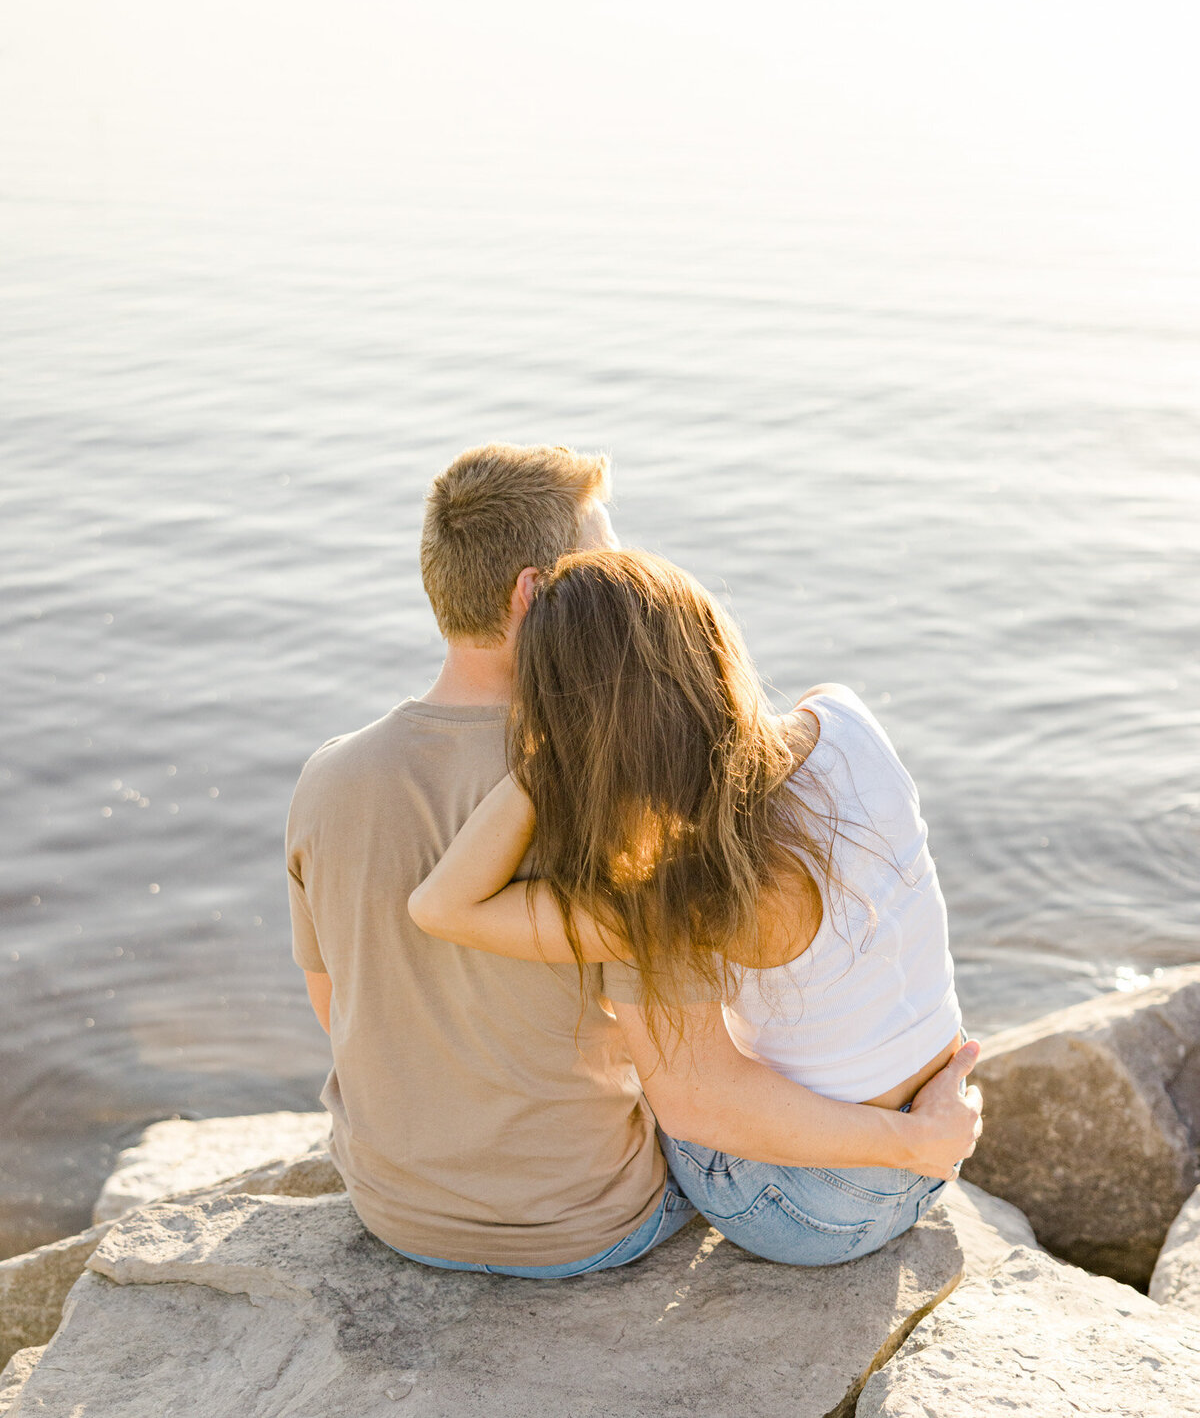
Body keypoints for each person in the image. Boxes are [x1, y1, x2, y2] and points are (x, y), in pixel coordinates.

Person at [289, 443, 981, 1279]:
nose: (623, 573)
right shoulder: (630, 813)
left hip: (390, 1204)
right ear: (538, 594)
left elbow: (336, 1006)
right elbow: (697, 1089)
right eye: (607, 555)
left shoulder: (326, 778)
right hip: (584, 1224)